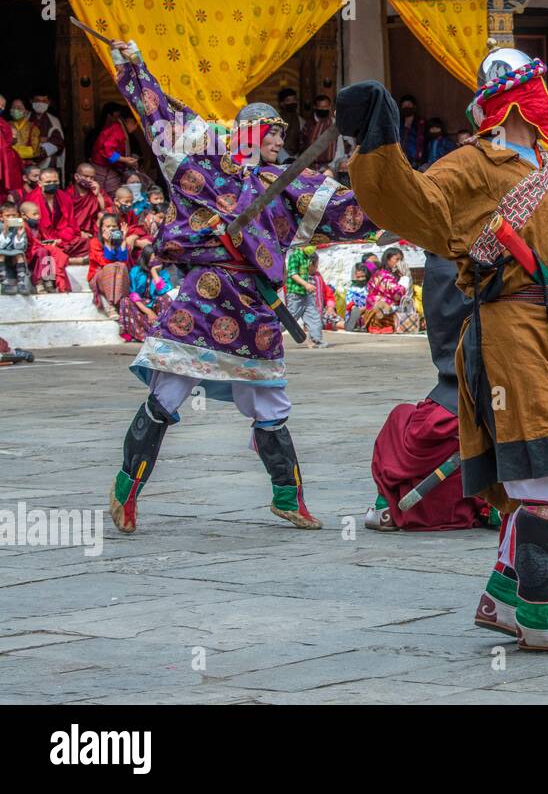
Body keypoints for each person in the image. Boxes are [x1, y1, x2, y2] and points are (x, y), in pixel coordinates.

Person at [345, 41, 548, 654]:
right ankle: (539, 619)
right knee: (544, 467)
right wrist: (377, 138)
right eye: (536, 89)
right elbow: (417, 200)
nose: (546, 103)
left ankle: (500, 598)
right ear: (519, 96)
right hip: (512, 329)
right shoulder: (474, 166)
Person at [102, 38, 377, 536]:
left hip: (255, 306)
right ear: (246, 132)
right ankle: (126, 490)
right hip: (204, 297)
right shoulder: (200, 164)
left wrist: (396, 189)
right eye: (270, 133)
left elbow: (353, 209)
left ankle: (287, 497)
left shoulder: (292, 182)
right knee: (166, 394)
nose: (278, 140)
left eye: (280, 134)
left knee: (271, 402)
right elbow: (159, 117)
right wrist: (135, 63)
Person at [365, 251, 489, 533]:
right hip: (489, 400)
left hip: (457, 404)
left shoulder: (447, 269)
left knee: (401, 421)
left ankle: (386, 502)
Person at [90, 104, 139, 194]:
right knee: (113, 193)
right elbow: (108, 153)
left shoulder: (118, 128)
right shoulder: (117, 130)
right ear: (129, 121)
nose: (136, 127)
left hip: (108, 166)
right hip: (103, 168)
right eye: (136, 124)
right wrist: (125, 160)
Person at [284, 245, 325, 347]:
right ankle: (271, 334)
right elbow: (293, 274)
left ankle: (317, 339)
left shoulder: (307, 257)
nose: (311, 246)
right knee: (289, 319)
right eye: (308, 243)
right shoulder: (294, 256)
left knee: (314, 316)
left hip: (306, 294)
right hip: (295, 294)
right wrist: (306, 284)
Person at [362, 247, 407, 334]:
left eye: (401, 260)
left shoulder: (385, 273)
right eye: (397, 259)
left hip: (373, 306)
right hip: (380, 310)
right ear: (388, 259)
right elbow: (396, 295)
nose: (400, 262)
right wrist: (405, 280)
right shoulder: (384, 275)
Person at [29, 93, 65, 171]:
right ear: (31, 101)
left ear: (48, 102)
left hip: (49, 165)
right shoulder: (25, 119)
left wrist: (47, 140)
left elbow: (59, 143)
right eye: (38, 100)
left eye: (44, 101)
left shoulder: (54, 120)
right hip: (28, 164)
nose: (41, 103)